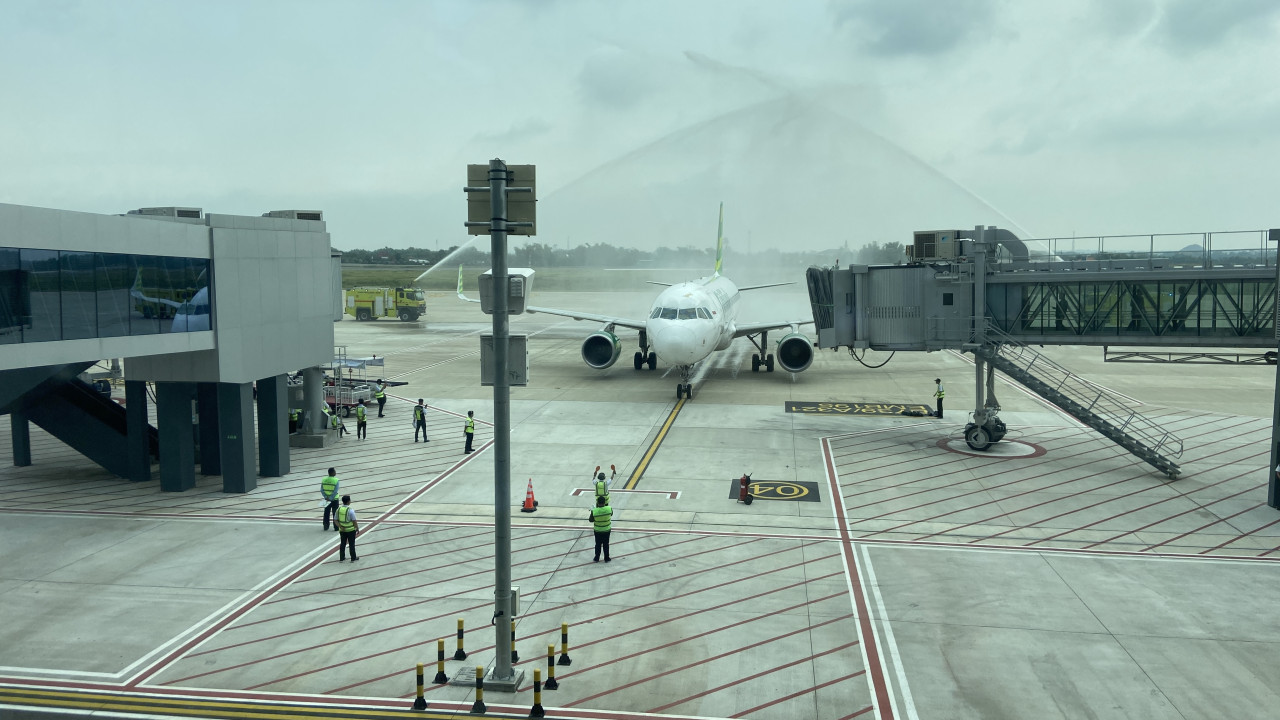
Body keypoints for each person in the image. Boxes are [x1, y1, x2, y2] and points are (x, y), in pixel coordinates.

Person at [336, 494, 359, 562]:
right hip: (350, 530)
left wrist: (340, 526)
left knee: (343, 543)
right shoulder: (350, 510)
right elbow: (354, 521)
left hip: (342, 530)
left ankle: (342, 557)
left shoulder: (339, 509)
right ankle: (353, 557)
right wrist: (357, 528)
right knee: (351, 544)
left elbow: (335, 520)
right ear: (348, 501)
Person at [590, 495, 613, 563]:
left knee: (598, 544)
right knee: (606, 544)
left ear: (597, 502)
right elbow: (611, 514)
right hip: (606, 530)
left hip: (598, 531)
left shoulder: (594, 511)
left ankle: (597, 558)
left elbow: (590, 520)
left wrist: (592, 511)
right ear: (605, 502)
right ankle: (607, 558)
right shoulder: (609, 508)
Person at [321, 467, 340, 532]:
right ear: (332, 472)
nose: (335, 472)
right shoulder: (336, 480)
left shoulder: (324, 479)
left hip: (326, 499)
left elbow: (322, 490)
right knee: (335, 513)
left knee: (326, 512)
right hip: (334, 499)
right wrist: (331, 498)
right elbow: (335, 491)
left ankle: (325, 526)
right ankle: (336, 527)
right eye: (334, 471)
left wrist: (326, 497)